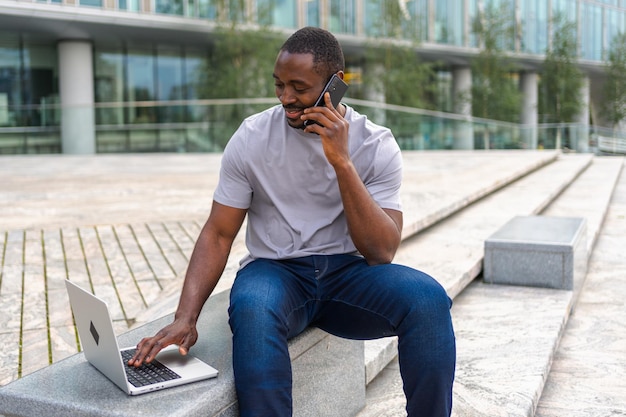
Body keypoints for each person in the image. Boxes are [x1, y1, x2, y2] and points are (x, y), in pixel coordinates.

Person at [129, 26, 456, 417]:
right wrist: (185, 316)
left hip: (349, 274)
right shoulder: (252, 137)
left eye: (298, 87)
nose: (286, 98)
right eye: (279, 85)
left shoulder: (375, 145)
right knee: (253, 307)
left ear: (335, 85)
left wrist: (342, 162)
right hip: (275, 272)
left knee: (428, 299)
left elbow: (382, 250)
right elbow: (218, 233)